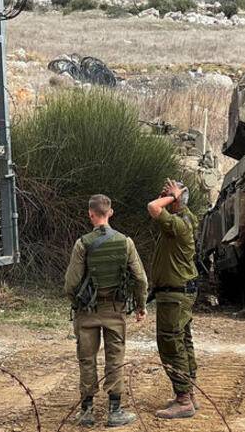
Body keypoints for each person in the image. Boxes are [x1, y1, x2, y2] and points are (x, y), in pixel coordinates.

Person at [64, 194, 148, 428]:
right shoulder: (125, 242)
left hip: (87, 311)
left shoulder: (82, 244)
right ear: (110, 213)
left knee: (87, 358)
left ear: (90, 214)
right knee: (115, 358)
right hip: (115, 309)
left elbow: (71, 283)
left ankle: (87, 411)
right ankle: (115, 410)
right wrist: (140, 306)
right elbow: (140, 279)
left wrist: (77, 304)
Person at [146, 179, 200, 420]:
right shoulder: (184, 219)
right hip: (179, 292)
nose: (162, 198)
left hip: (175, 295)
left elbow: (152, 207)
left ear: (176, 200)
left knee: (170, 344)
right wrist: (172, 198)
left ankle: (183, 399)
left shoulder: (178, 224)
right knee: (183, 341)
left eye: (167, 196)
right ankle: (189, 393)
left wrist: (173, 196)